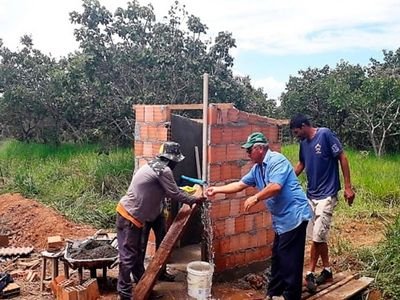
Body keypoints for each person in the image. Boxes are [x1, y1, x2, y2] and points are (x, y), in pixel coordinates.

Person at [206, 132, 312, 300]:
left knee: (289, 257)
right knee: (278, 256)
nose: (247, 154)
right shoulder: (257, 169)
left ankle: (291, 295)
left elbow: (276, 186)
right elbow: (240, 185)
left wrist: (255, 197)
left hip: (294, 215)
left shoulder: (277, 161)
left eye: (249, 150)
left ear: (260, 149)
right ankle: (274, 293)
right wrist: (216, 190)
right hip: (282, 220)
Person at [115, 141, 206, 300]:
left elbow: (164, 191)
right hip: (130, 216)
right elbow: (175, 194)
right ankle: (124, 294)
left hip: (130, 215)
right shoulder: (164, 170)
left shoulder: (153, 165)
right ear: (172, 159)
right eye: (176, 161)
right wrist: (194, 200)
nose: (176, 164)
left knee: (134, 255)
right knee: (128, 257)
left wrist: (184, 193)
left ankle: (143, 287)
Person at [289, 114, 355, 293]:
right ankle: (327, 270)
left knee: (318, 235)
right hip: (311, 195)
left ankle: (309, 273)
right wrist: (286, 179)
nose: (297, 136)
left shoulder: (325, 135)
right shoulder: (303, 144)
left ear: (304, 126)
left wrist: (348, 187)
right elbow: (301, 163)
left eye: (297, 132)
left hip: (327, 194)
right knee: (318, 236)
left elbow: (342, 157)